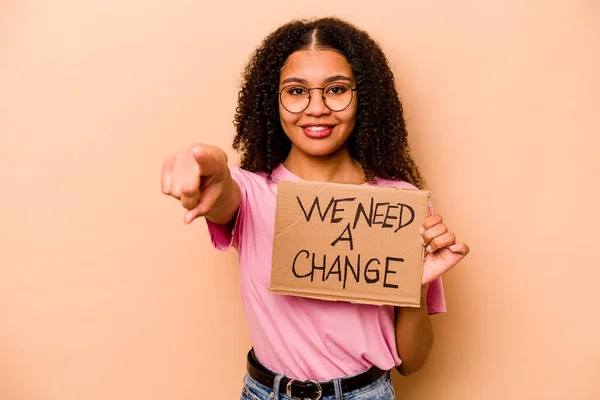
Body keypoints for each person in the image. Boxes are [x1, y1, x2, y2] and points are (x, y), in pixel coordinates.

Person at [161, 17, 469, 400]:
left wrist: (416, 287)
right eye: (296, 92)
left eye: (336, 89)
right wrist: (203, 165)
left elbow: (412, 362)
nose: (317, 108)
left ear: (364, 98)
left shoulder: (399, 205)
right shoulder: (251, 192)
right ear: (272, 101)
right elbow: (222, 184)